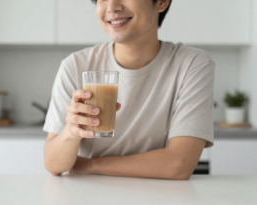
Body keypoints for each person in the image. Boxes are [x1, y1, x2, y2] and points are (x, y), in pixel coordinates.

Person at [43, 0, 215, 180]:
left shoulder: (192, 64)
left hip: (159, 195)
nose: (112, 7)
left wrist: (90, 164)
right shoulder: (76, 66)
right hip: (88, 194)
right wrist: (70, 133)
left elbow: (179, 164)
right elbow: (53, 164)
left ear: (162, 2)